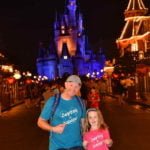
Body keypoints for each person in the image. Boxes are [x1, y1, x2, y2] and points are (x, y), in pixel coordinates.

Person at [37, 75, 86, 150]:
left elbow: (83, 122)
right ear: (65, 84)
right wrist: (53, 129)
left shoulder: (81, 102)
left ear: (79, 88)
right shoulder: (53, 101)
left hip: (77, 145)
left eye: (76, 86)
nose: (73, 89)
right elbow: (40, 122)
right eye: (71, 85)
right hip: (58, 146)